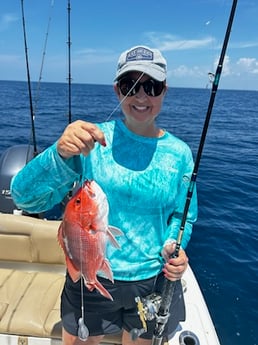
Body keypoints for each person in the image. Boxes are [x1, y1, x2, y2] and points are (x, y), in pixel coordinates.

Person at [11, 45, 198, 345]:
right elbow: (24, 198)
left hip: (150, 281)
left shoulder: (180, 155)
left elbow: (183, 214)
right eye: (130, 86)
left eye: (151, 86)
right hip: (88, 274)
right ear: (116, 90)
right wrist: (58, 155)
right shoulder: (90, 140)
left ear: (165, 91)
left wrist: (174, 245)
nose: (141, 96)